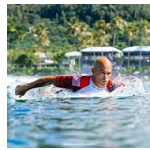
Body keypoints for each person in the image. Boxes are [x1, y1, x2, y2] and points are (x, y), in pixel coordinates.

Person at [15, 56, 125, 97]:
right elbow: (50, 79)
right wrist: (27, 87)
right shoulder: (78, 81)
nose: (105, 77)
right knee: (51, 93)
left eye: (108, 73)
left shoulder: (113, 85)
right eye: (102, 73)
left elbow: (129, 90)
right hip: (67, 94)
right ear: (93, 71)